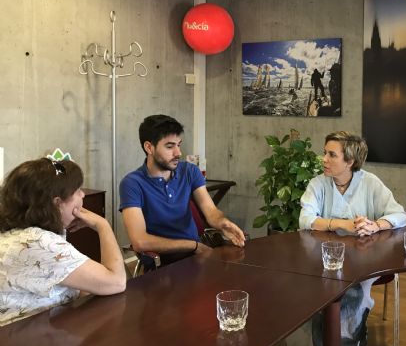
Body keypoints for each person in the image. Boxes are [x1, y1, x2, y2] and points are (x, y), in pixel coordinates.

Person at [299, 131, 406, 346]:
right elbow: (305, 218)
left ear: (350, 161)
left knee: (351, 292)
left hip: (366, 260)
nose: (324, 159)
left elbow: (399, 214)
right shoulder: (318, 184)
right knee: (322, 292)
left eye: (331, 155)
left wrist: (375, 224)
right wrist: (339, 224)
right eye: (324, 152)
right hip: (324, 260)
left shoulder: (370, 183)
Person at [0, 158, 126, 326]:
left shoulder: (21, 234)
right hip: (30, 342)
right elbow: (116, 282)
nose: (82, 195)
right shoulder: (39, 243)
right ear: (57, 203)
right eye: (77, 190)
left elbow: (77, 285)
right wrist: (103, 226)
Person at [120, 114, 245, 269]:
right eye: (170, 146)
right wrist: (193, 245)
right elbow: (140, 241)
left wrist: (222, 222)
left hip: (196, 257)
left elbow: (211, 211)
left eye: (179, 145)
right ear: (149, 147)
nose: (178, 153)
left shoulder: (189, 171)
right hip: (161, 266)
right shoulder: (132, 183)